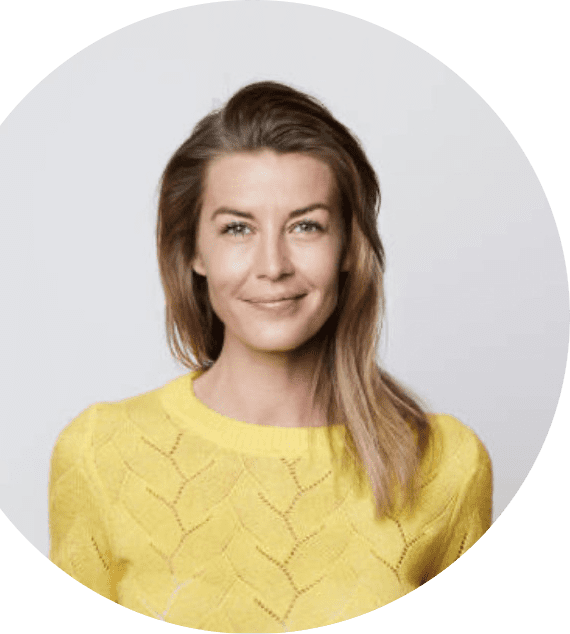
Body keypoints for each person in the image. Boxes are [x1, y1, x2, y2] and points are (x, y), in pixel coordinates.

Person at [49, 81, 492, 632]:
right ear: (193, 250)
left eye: (306, 226)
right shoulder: (99, 452)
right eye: (237, 228)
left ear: (348, 247)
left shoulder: (446, 464)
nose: (273, 265)